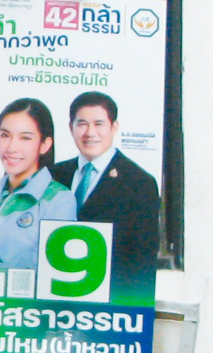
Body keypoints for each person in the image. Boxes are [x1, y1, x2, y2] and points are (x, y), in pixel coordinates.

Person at [0, 96, 72, 290]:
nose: (10, 147)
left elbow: (51, 271)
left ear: (44, 145)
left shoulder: (59, 199)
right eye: (5, 135)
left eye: (25, 138)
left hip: (25, 315)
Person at [57, 90, 160, 295]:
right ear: (71, 128)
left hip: (109, 308)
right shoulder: (53, 175)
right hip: (52, 299)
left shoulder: (139, 182)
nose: (90, 132)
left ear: (114, 127)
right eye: (82, 124)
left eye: (99, 124)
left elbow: (142, 264)